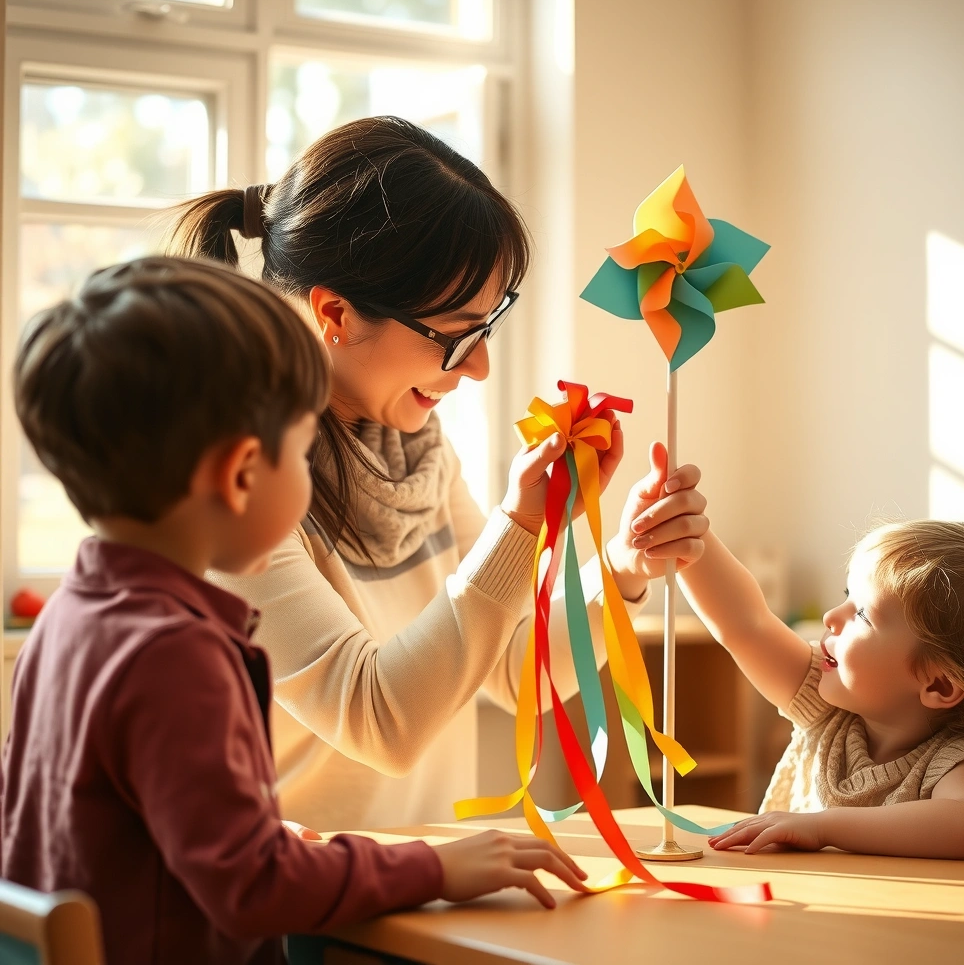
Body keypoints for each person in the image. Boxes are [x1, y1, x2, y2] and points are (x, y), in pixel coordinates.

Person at [0, 257, 589, 965]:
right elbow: (252, 887)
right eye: (304, 451)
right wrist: (436, 867)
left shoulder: (69, 619)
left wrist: (268, 842)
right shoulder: (176, 654)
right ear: (243, 472)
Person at [171, 116, 710, 832]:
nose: (479, 367)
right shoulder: (239, 491)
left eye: (487, 331)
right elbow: (380, 724)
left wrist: (623, 567)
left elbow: (516, 670)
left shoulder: (416, 451)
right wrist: (519, 526)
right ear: (335, 313)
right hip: (296, 915)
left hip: (417, 889)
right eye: (457, 336)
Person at [663, 501, 964, 863]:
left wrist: (823, 827)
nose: (832, 616)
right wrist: (689, 535)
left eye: (863, 615)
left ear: (939, 686)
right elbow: (747, 624)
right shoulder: (827, 709)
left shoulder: (957, 757)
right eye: (846, 596)